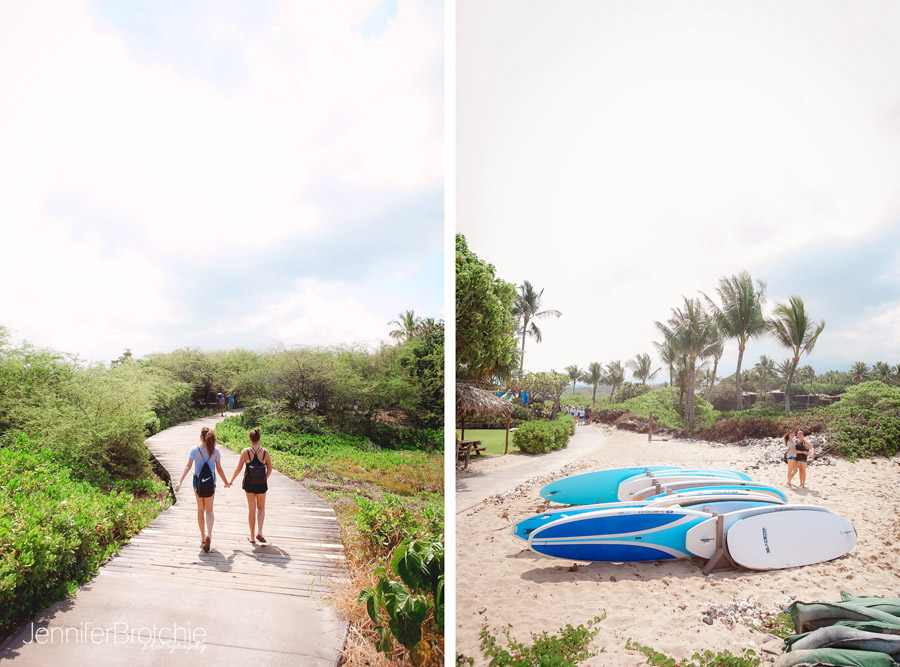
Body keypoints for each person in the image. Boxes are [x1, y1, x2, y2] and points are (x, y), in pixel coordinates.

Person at [174, 429, 230, 551]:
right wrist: (226, 482)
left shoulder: (194, 450)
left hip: (197, 483)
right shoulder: (216, 451)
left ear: (201, 437)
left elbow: (188, 466)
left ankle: (203, 537)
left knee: (200, 509)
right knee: (209, 510)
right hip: (210, 483)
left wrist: (180, 481)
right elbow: (219, 469)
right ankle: (209, 534)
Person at [228, 427, 273, 544]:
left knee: (252, 509)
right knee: (261, 508)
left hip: (249, 484)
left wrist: (231, 480)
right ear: (259, 439)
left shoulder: (245, 452)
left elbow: (238, 468)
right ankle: (260, 532)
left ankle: (252, 537)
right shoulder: (265, 452)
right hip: (261, 484)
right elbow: (270, 469)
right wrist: (264, 479)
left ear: (250, 439)